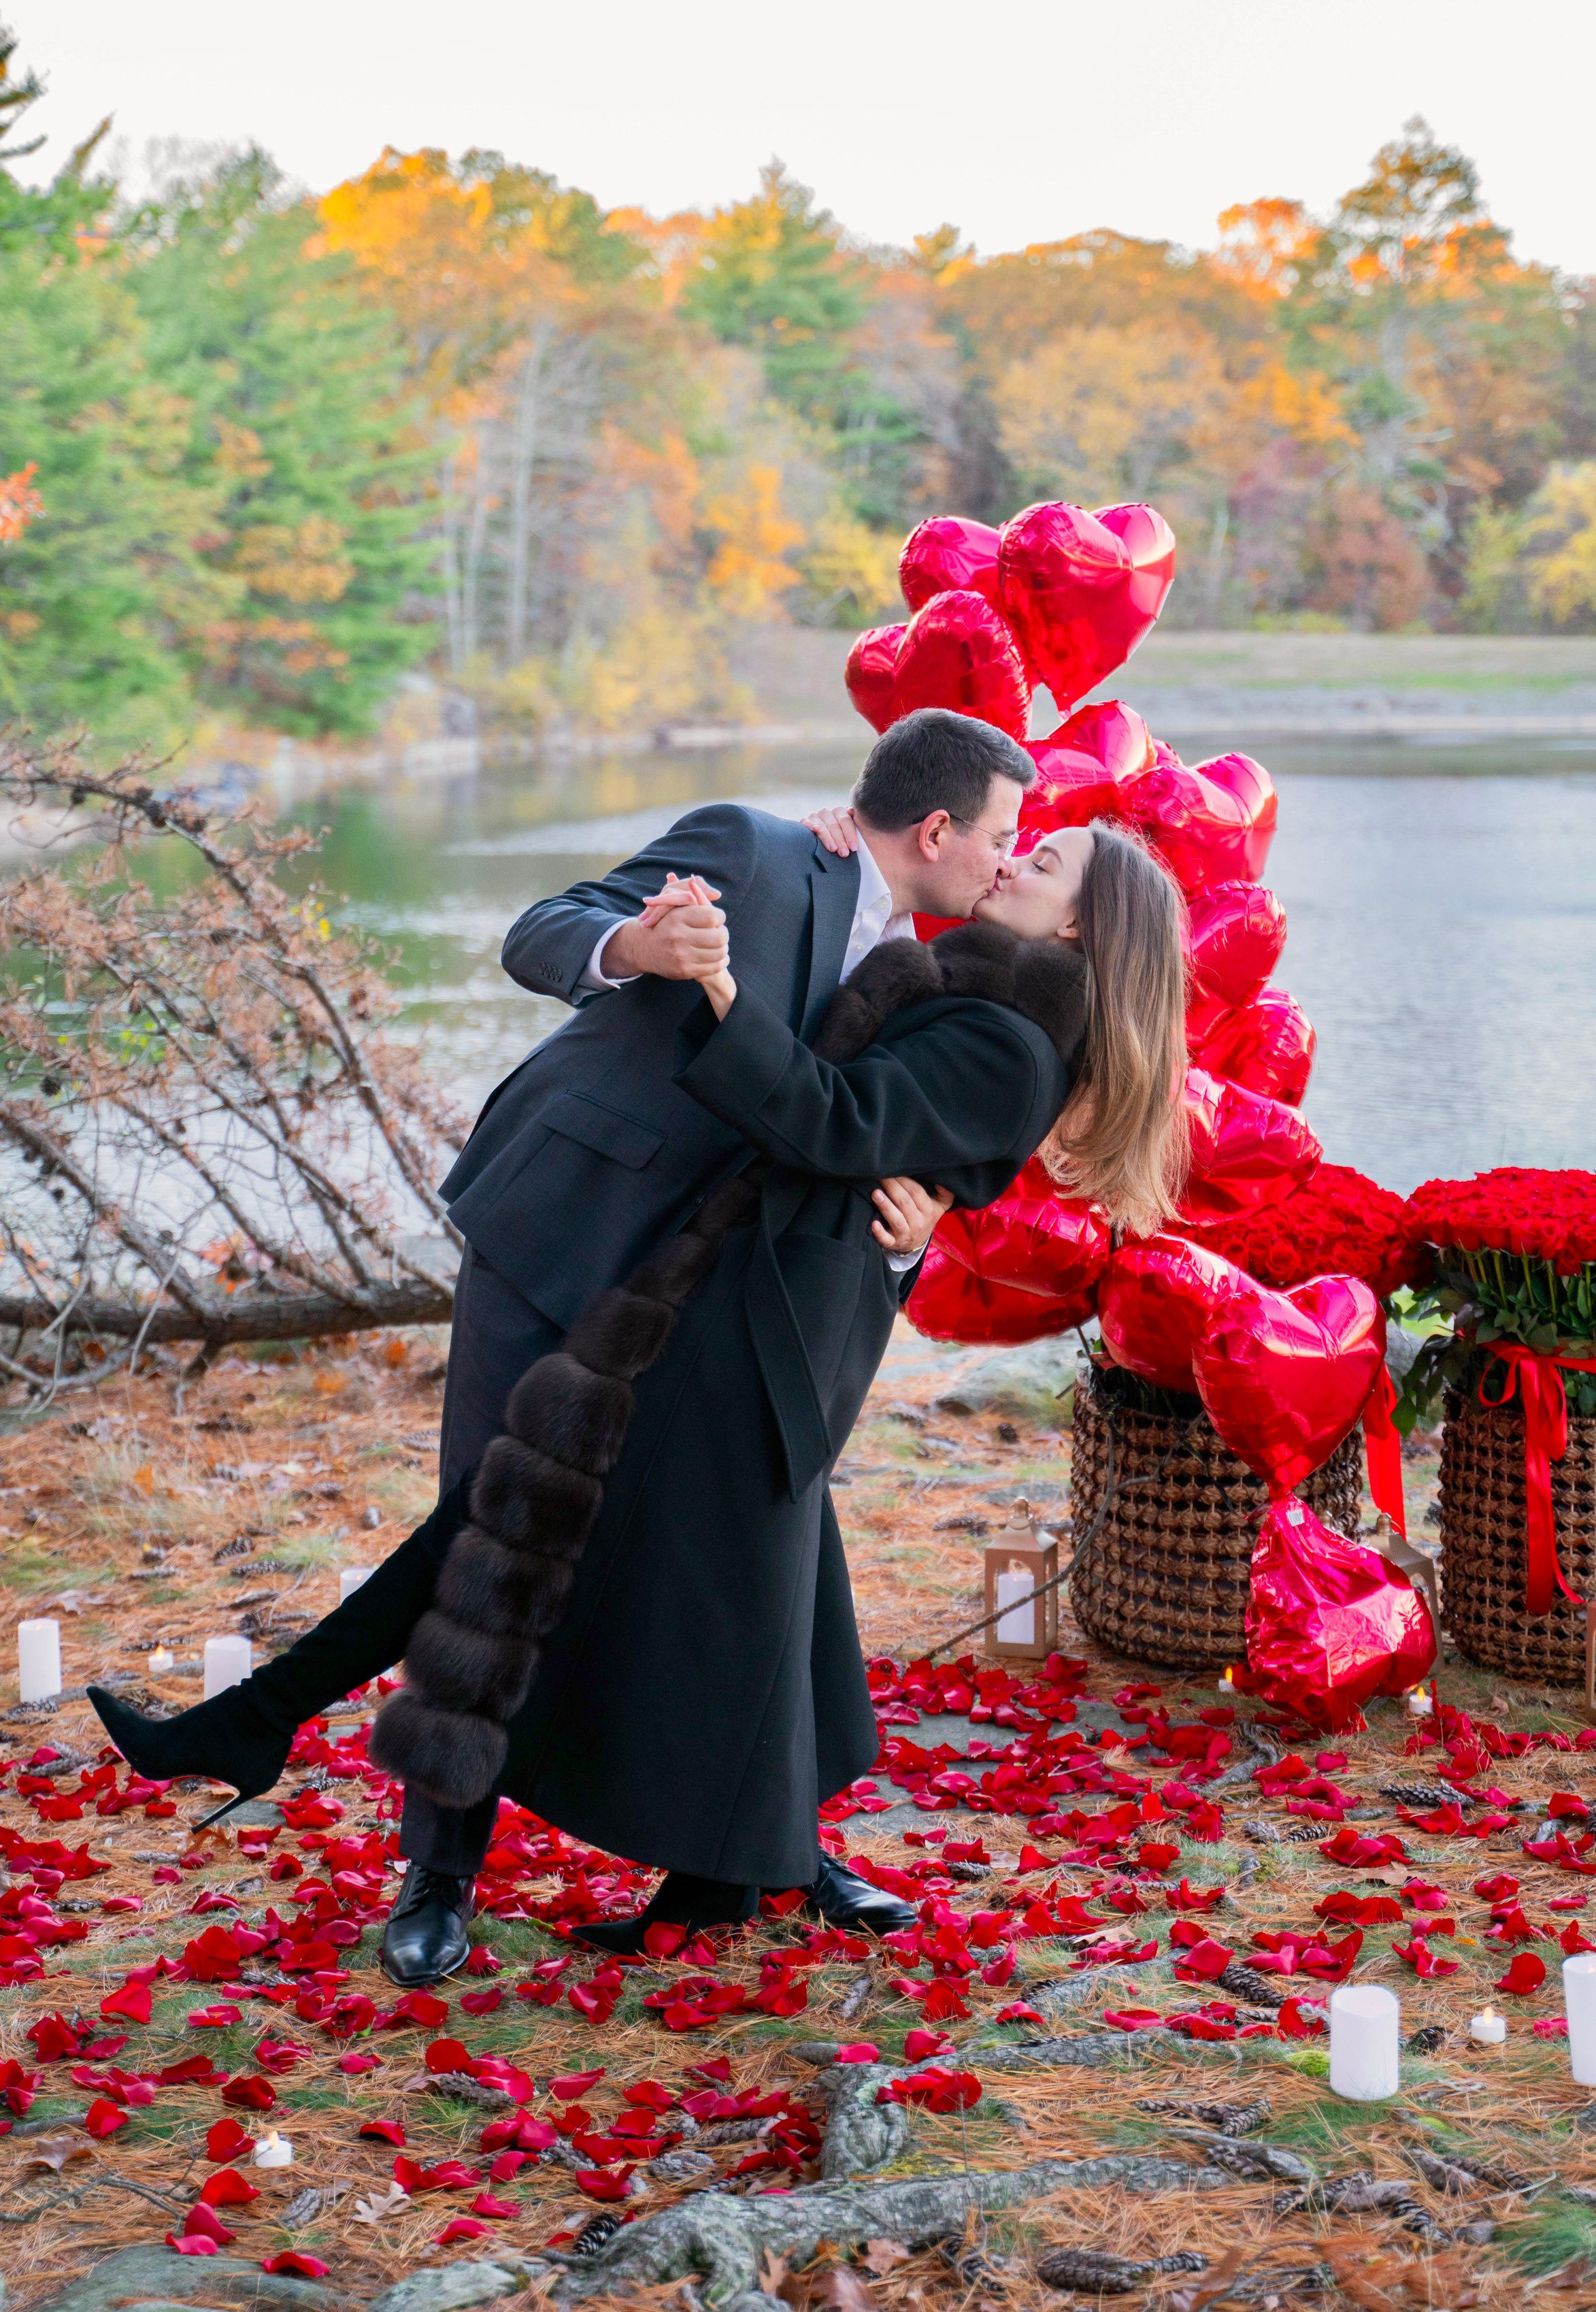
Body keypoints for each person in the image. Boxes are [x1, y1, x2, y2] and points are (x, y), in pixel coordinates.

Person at [91, 793, 1190, 1983]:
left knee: (545, 1528)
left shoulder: (1011, 1033)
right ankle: (698, 1850)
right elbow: (846, 1101)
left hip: (754, 1310)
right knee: (581, 1530)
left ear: (1083, 929)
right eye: (1014, 834)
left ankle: (265, 1721)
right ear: (932, 830)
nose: (1021, 854)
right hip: (678, 1270)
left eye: (1050, 856)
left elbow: (842, 1116)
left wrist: (738, 1014)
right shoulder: (899, 938)